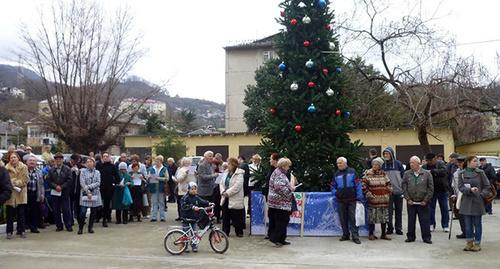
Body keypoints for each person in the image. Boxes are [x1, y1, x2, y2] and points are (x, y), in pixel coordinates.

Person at [458, 156, 491, 252]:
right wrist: (469, 190)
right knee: (468, 225)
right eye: (474, 161)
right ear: (468, 162)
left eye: (477, 161)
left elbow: (487, 186)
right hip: (466, 202)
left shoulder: (480, 173)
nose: (477, 163)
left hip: (478, 201)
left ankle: (477, 243)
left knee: (477, 224)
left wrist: (481, 195)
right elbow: (460, 187)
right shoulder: (462, 173)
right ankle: (469, 242)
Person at [332, 157, 363, 245]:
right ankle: (345, 235)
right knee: (343, 218)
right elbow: (333, 186)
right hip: (341, 200)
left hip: (352, 199)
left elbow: (358, 184)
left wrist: (359, 196)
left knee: (353, 218)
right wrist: (336, 193)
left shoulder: (352, 171)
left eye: (340, 163)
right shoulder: (336, 174)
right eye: (337, 163)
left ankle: (355, 236)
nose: (338, 165)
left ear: (345, 163)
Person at [402, 156, 434, 244]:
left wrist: (426, 200)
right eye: (410, 162)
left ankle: (426, 237)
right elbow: (404, 187)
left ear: (418, 163)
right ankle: (411, 237)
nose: (411, 164)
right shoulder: (407, 174)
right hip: (411, 202)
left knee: (425, 220)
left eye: (413, 163)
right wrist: (407, 198)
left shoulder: (427, 174)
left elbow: (430, 188)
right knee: (411, 220)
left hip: (423, 202)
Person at [362, 157, 392, 241]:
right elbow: (363, 185)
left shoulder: (384, 173)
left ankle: (383, 234)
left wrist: (388, 191)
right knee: (372, 218)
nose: (374, 165)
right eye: (373, 164)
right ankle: (371, 234)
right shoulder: (368, 173)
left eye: (377, 164)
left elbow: (388, 184)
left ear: (380, 166)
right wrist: (368, 194)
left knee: (384, 218)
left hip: (383, 200)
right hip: (373, 200)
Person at [268, 157, 295, 247]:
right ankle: (277, 239)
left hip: (277, 203)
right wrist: (291, 189)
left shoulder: (278, 172)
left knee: (282, 221)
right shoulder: (279, 174)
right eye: (288, 166)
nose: (288, 168)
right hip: (280, 203)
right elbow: (279, 188)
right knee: (281, 222)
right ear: (283, 166)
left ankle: (281, 239)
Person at [180, 182, 212, 253]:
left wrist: (208, 203)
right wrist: (192, 207)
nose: (194, 190)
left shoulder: (196, 197)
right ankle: (185, 246)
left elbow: (202, 201)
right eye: (192, 189)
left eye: (195, 189)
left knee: (194, 234)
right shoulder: (185, 198)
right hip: (186, 218)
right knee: (185, 234)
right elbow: (183, 206)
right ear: (188, 190)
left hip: (194, 219)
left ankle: (194, 246)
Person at [422, 153, 450, 232]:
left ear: (435, 159)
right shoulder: (425, 166)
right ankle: (431, 224)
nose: (429, 162)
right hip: (431, 191)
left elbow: (444, 172)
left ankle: (445, 225)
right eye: (427, 161)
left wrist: (432, 171)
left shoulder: (441, 163)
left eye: (430, 160)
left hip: (442, 190)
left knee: (444, 208)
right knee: (430, 209)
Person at [47, 152, 74, 232]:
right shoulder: (51, 170)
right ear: (55, 160)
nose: (58, 160)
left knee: (66, 209)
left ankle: (68, 225)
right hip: (55, 192)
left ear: (62, 160)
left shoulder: (67, 169)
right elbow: (49, 180)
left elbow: (70, 180)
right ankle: (59, 226)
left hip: (64, 192)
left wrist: (61, 187)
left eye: (60, 159)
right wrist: (55, 186)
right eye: (57, 159)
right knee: (56, 210)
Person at [381, 147, 405, 235]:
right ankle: (390, 228)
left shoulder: (398, 164)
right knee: (389, 212)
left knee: (399, 211)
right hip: (388, 192)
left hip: (398, 191)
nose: (385, 155)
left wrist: (403, 188)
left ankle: (399, 228)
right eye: (384, 154)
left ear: (391, 154)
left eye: (387, 154)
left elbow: (403, 176)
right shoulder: (383, 165)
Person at [5, 153, 29, 239]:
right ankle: (9, 232)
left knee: (21, 214)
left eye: (14, 157)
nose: (13, 159)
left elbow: (25, 180)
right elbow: (4, 180)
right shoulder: (6, 168)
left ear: (18, 158)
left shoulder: (24, 167)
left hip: (21, 193)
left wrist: (15, 182)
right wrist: (10, 183)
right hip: (10, 194)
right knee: (10, 215)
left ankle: (22, 231)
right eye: (11, 158)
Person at [219, 157, 245, 237]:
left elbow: (237, 186)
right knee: (225, 216)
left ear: (234, 165)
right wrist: (223, 191)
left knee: (237, 216)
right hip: (225, 197)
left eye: (229, 164)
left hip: (235, 197)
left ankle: (239, 232)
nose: (228, 165)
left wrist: (228, 193)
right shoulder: (226, 172)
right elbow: (221, 183)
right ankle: (225, 232)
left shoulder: (239, 174)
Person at [77, 158, 102, 234]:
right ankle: (80, 228)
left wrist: (89, 187)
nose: (89, 163)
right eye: (87, 162)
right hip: (85, 193)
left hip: (95, 193)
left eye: (90, 161)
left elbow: (98, 182)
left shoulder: (97, 172)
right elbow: (82, 182)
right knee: (83, 212)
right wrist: (87, 191)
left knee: (93, 212)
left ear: (94, 163)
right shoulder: (83, 171)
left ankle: (90, 227)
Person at [96, 152, 120, 227]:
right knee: (98, 204)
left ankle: (105, 220)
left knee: (106, 204)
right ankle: (97, 217)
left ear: (109, 157)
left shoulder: (112, 166)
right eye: (104, 156)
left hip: (109, 188)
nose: (105, 157)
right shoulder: (99, 166)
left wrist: (114, 183)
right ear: (102, 158)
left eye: (107, 156)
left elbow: (117, 177)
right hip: (99, 187)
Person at [263, 153, 280, 240]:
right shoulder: (271, 169)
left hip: (275, 198)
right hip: (269, 196)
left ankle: (275, 235)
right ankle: (270, 234)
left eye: (271, 159)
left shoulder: (279, 171)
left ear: (275, 160)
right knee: (271, 216)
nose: (270, 160)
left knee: (275, 216)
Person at [26, 156, 44, 233]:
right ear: (27, 162)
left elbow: (41, 184)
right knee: (25, 210)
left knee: (34, 211)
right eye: (30, 160)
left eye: (33, 161)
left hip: (35, 193)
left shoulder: (39, 171)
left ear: (36, 163)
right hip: (25, 194)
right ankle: (23, 227)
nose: (32, 162)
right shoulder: (24, 170)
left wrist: (42, 194)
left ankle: (34, 227)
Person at [147, 155, 168, 222]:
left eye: (158, 161)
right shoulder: (151, 168)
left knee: (161, 203)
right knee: (154, 202)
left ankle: (162, 217)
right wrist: (149, 177)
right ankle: (154, 217)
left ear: (161, 161)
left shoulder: (164, 169)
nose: (157, 162)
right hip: (153, 187)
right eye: (156, 160)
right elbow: (148, 176)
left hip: (161, 188)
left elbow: (167, 178)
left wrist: (158, 178)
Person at [451, 156, 467, 239]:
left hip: (468, 196)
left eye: (461, 162)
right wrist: (453, 195)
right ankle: (464, 232)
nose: (460, 164)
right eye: (458, 162)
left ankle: (470, 232)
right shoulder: (455, 173)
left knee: (468, 216)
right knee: (461, 215)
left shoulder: (469, 172)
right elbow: (453, 186)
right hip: (459, 197)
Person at [212, 153, 223, 223]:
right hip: (215, 185)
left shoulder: (220, 164)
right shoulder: (213, 164)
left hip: (218, 184)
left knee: (218, 202)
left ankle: (218, 216)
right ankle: (216, 216)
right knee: (215, 202)